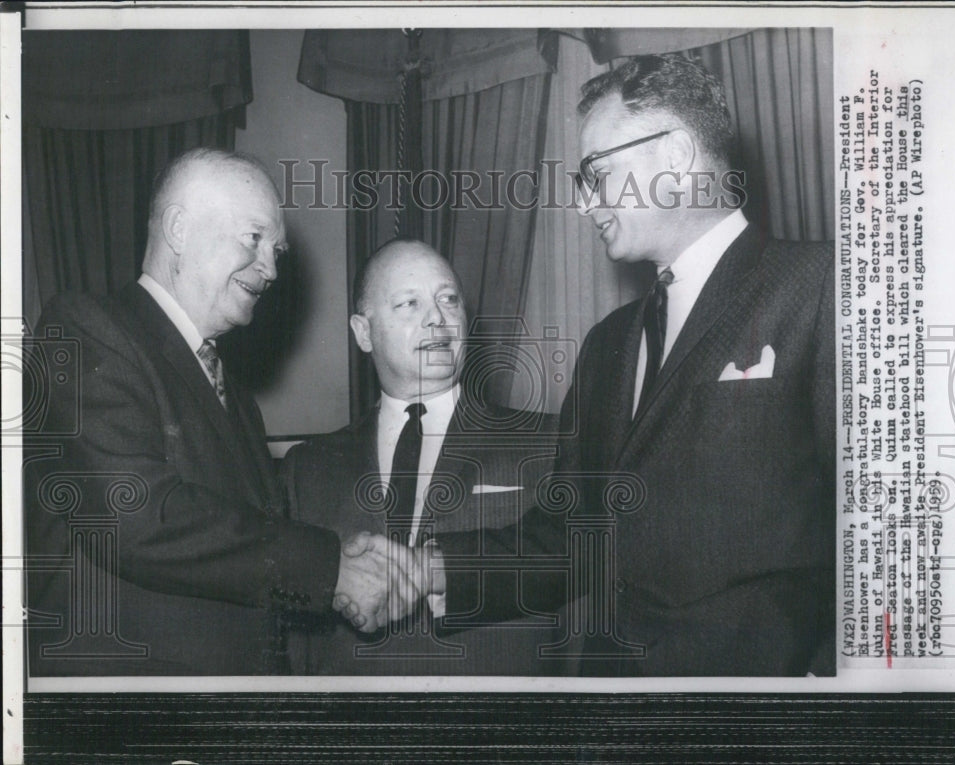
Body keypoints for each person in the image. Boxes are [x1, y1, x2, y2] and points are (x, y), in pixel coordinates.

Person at [401, 53, 836, 676]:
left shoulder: (826, 286)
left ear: (677, 155)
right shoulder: (607, 345)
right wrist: (430, 569)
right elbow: (574, 535)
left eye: (596, 174)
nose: (585, 205)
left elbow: (881, 530)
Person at [25, 147, 417, 676]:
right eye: (254, 239)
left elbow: (249, 544)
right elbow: (136, 513)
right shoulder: (85, 329)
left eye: (276, 250)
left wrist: (344, 558)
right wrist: (332, 568)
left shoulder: (238, 399)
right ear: (179, 228)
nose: (272, 268)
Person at [281, 239, 569, 674]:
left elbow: (582, 575)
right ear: (363, 332)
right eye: (409, 303)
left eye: (449, 299)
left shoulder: (548, 442)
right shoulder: (307, 467)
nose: (437, 317)